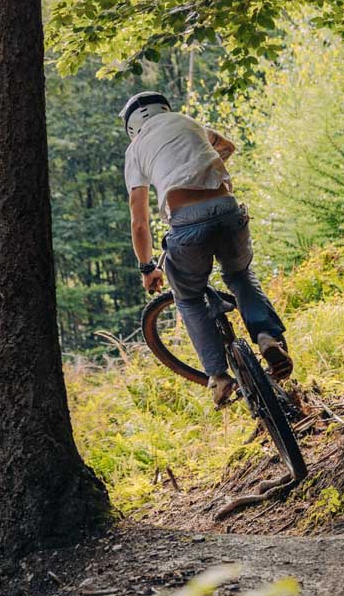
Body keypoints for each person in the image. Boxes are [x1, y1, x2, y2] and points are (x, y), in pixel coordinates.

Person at [122, 91, 293, 406]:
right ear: (164, 108)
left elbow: (139, 223)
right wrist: (202, 174)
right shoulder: (189, 122)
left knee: (189, 297)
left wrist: (147, 267)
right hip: (228, 211)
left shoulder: (135, 150)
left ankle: (218, 376)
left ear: (132, 125)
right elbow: (227, 146)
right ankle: (268, 338)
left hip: (187, 224)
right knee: (240, 275)